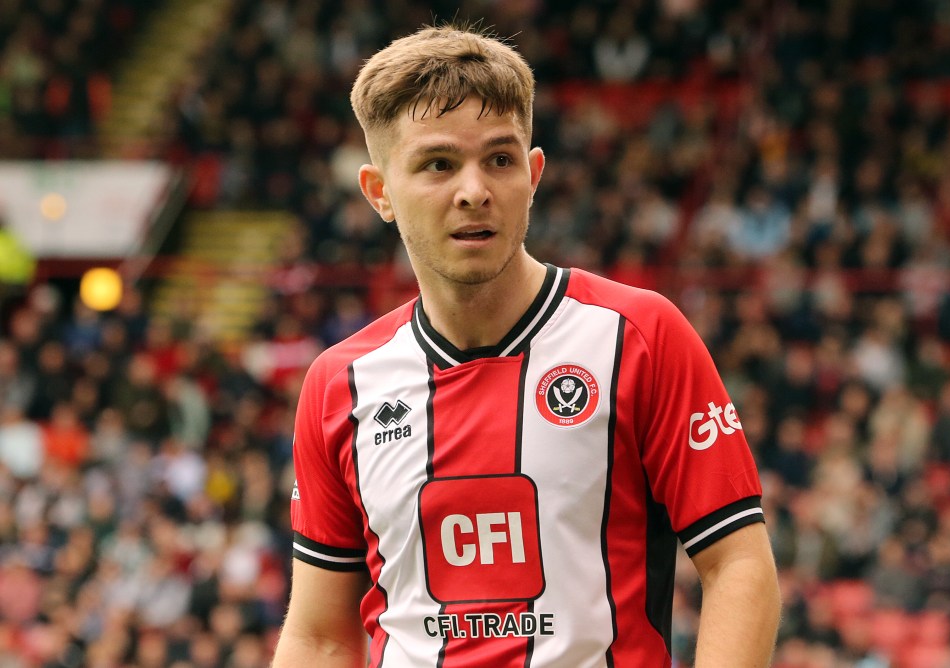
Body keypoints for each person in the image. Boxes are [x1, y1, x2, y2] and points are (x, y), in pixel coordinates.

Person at [272, 24, 781, 667]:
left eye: (500, 159)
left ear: (534, 174)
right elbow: (319, 635)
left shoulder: (639, 337)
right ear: (380, 192)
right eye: (438, 163)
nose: (475, 190)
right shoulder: (338, 385)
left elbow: (738, 562)